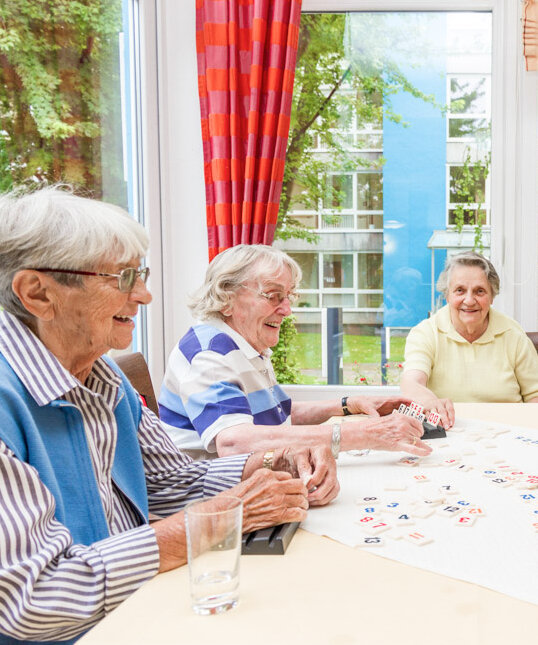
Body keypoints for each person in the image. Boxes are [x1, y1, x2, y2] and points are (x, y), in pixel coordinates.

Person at [0, 186, 339, 645]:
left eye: (140, 274)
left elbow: (168, 484)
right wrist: (219, 517)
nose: (145, 295)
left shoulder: (102, 377)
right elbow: (35, 599)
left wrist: (268, 462)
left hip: (145, 605)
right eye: (122, 278)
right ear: (38, 293)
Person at [159, 244, 431, 460]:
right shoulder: (210, 354)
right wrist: (365, 433)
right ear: (227, 297)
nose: (287, 310)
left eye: (288, 296)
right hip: (215, 503)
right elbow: (234, 442)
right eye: (273, 295)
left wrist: (348, 405)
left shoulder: (242, 343)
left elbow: (277, 415)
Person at [400, 251, 538, 429]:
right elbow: (411, 382)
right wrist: (427, 399)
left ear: (492, 296)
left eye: (479, 291)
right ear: (447, 294)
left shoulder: (513, 334)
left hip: (508, 429)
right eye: (460, 290)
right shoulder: (426, 333)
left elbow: (535, 395)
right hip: (448, 430)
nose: (469, 300)